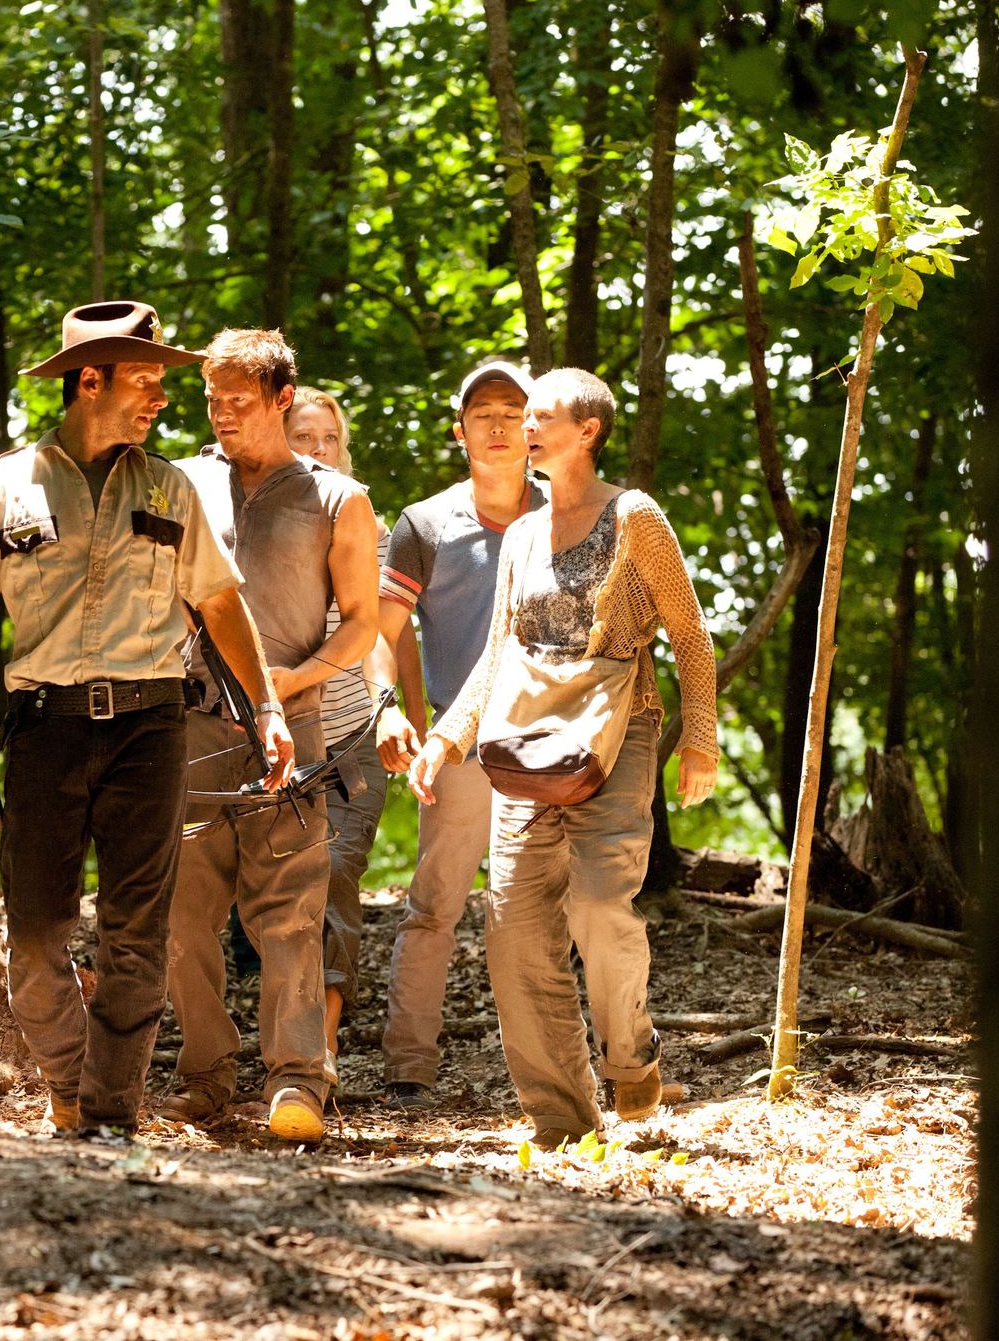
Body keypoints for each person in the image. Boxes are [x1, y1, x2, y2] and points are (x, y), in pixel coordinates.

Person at [0, 301, 295, 1138]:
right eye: (147, 382)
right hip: (44, 730)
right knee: (38, 945)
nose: (162, 398)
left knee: (135, 939)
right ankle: (69, 1078)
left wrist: (265, 705)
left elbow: (222, 605)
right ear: (92, 381)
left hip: (150, 730)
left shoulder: (173, 488)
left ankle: (109, 1111)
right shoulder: (1, 487)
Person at [407, 367, 718, 1148]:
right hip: (525, 746)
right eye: (520, 415)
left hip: (619, 735)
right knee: (512, 927)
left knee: (598, 906)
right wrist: (447, 735)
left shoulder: (635, 517)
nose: (525, 426)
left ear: (588, 431)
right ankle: (562, 1116)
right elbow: (497, 652)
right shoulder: (519, 533)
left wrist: (702, 736)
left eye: (540, 415)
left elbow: (689, 632)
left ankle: (631, 1058)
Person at [161, 331, 379, 1143]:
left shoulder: (337, 499)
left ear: (283, 398)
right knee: (184, 913)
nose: (221, 414)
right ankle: (206, 1076)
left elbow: (360, 625)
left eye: (238, 402)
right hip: (188, 724)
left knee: (290, 912)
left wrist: (282, 687)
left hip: (296, 726)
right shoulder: (183, 481)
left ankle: (297, 1081)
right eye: (211, 400)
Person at [369, 360, 543, 1105]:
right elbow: (381, 630)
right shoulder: (426, 524)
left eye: (514, 411)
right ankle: (409, 1064)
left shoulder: (568, 513)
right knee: (435, 903)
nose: (499, 425)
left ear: (535, 428)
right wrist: (386, 705)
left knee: (539, 910)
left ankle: (552, 1070)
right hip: (459, 748)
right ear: (460, 430)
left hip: (552, 751)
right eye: (484, 413)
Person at [283, 387, 391, 1090]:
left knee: (337, 872)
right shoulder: (250, 521)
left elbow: (382, 629)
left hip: (353, 732)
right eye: (304, 436)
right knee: (283, 891)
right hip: (279, 737)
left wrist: (397, 708)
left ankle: (320, 1043)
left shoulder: (364, 520)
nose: (319, 449)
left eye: (329, 437)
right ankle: (282, 1034)